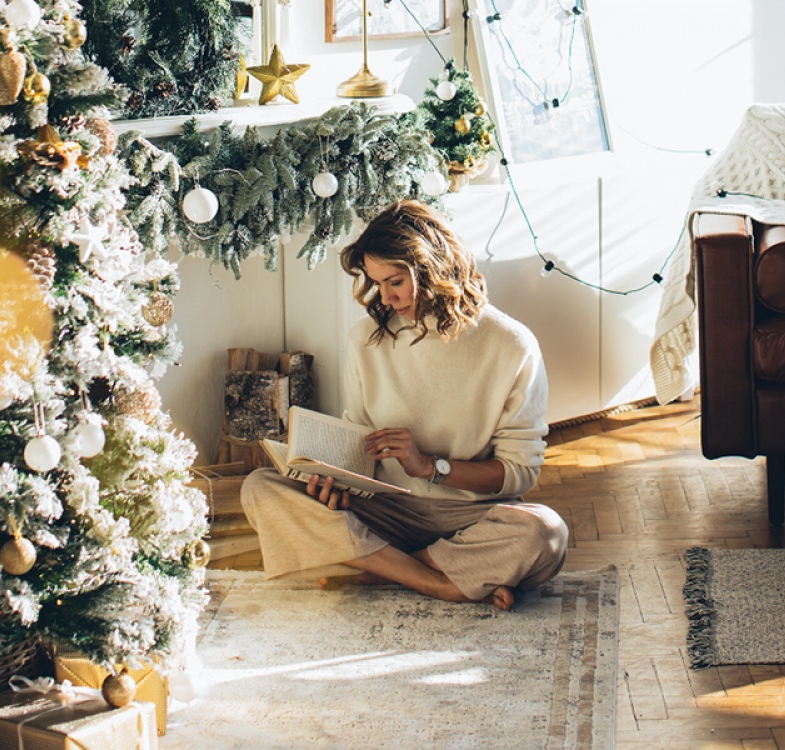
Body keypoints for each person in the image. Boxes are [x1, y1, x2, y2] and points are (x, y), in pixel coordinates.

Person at [241, 200, 568, 610]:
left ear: (433, 268)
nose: (387, 297)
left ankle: (377, 570)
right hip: (385, 510)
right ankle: (442, 582)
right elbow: (358, 439)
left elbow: (519, 473)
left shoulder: (511, 344)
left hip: (470, 517)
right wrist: (334, 482)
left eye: (396, 281)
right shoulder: (366, 339)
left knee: (545, 534)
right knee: (261, 487)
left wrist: (430, 467)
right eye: (378, 284)